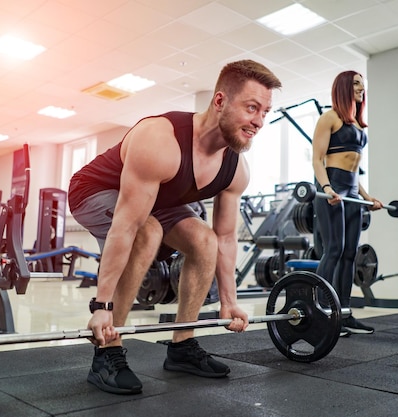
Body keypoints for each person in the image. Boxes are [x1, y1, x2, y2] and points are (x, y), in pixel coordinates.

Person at [68, 60, 282, 395]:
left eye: (265, 112)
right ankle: (107, 352)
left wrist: (229, 301)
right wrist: (101, 307)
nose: (258, 121)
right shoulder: (160, 139)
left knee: (204, 239)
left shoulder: (235, 168)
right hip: (92, 191)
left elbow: (225, 237)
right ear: (220, 101)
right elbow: (127, 226)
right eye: (252, 107)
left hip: (159, 202)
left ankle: (182, 345)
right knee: (147, 230)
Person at [311, 70, 383, 337]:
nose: (361, 88)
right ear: (342, 87)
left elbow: (354, 172)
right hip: (332, 188)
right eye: (355, 84)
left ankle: (344, 313)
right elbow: (318, 160)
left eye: (363, 85)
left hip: (351, 191)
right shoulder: (329, 118)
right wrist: (326, 187)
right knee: (334, 250)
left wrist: (367, 197)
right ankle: (321, 313)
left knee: (351, 253)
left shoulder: (357, 126)